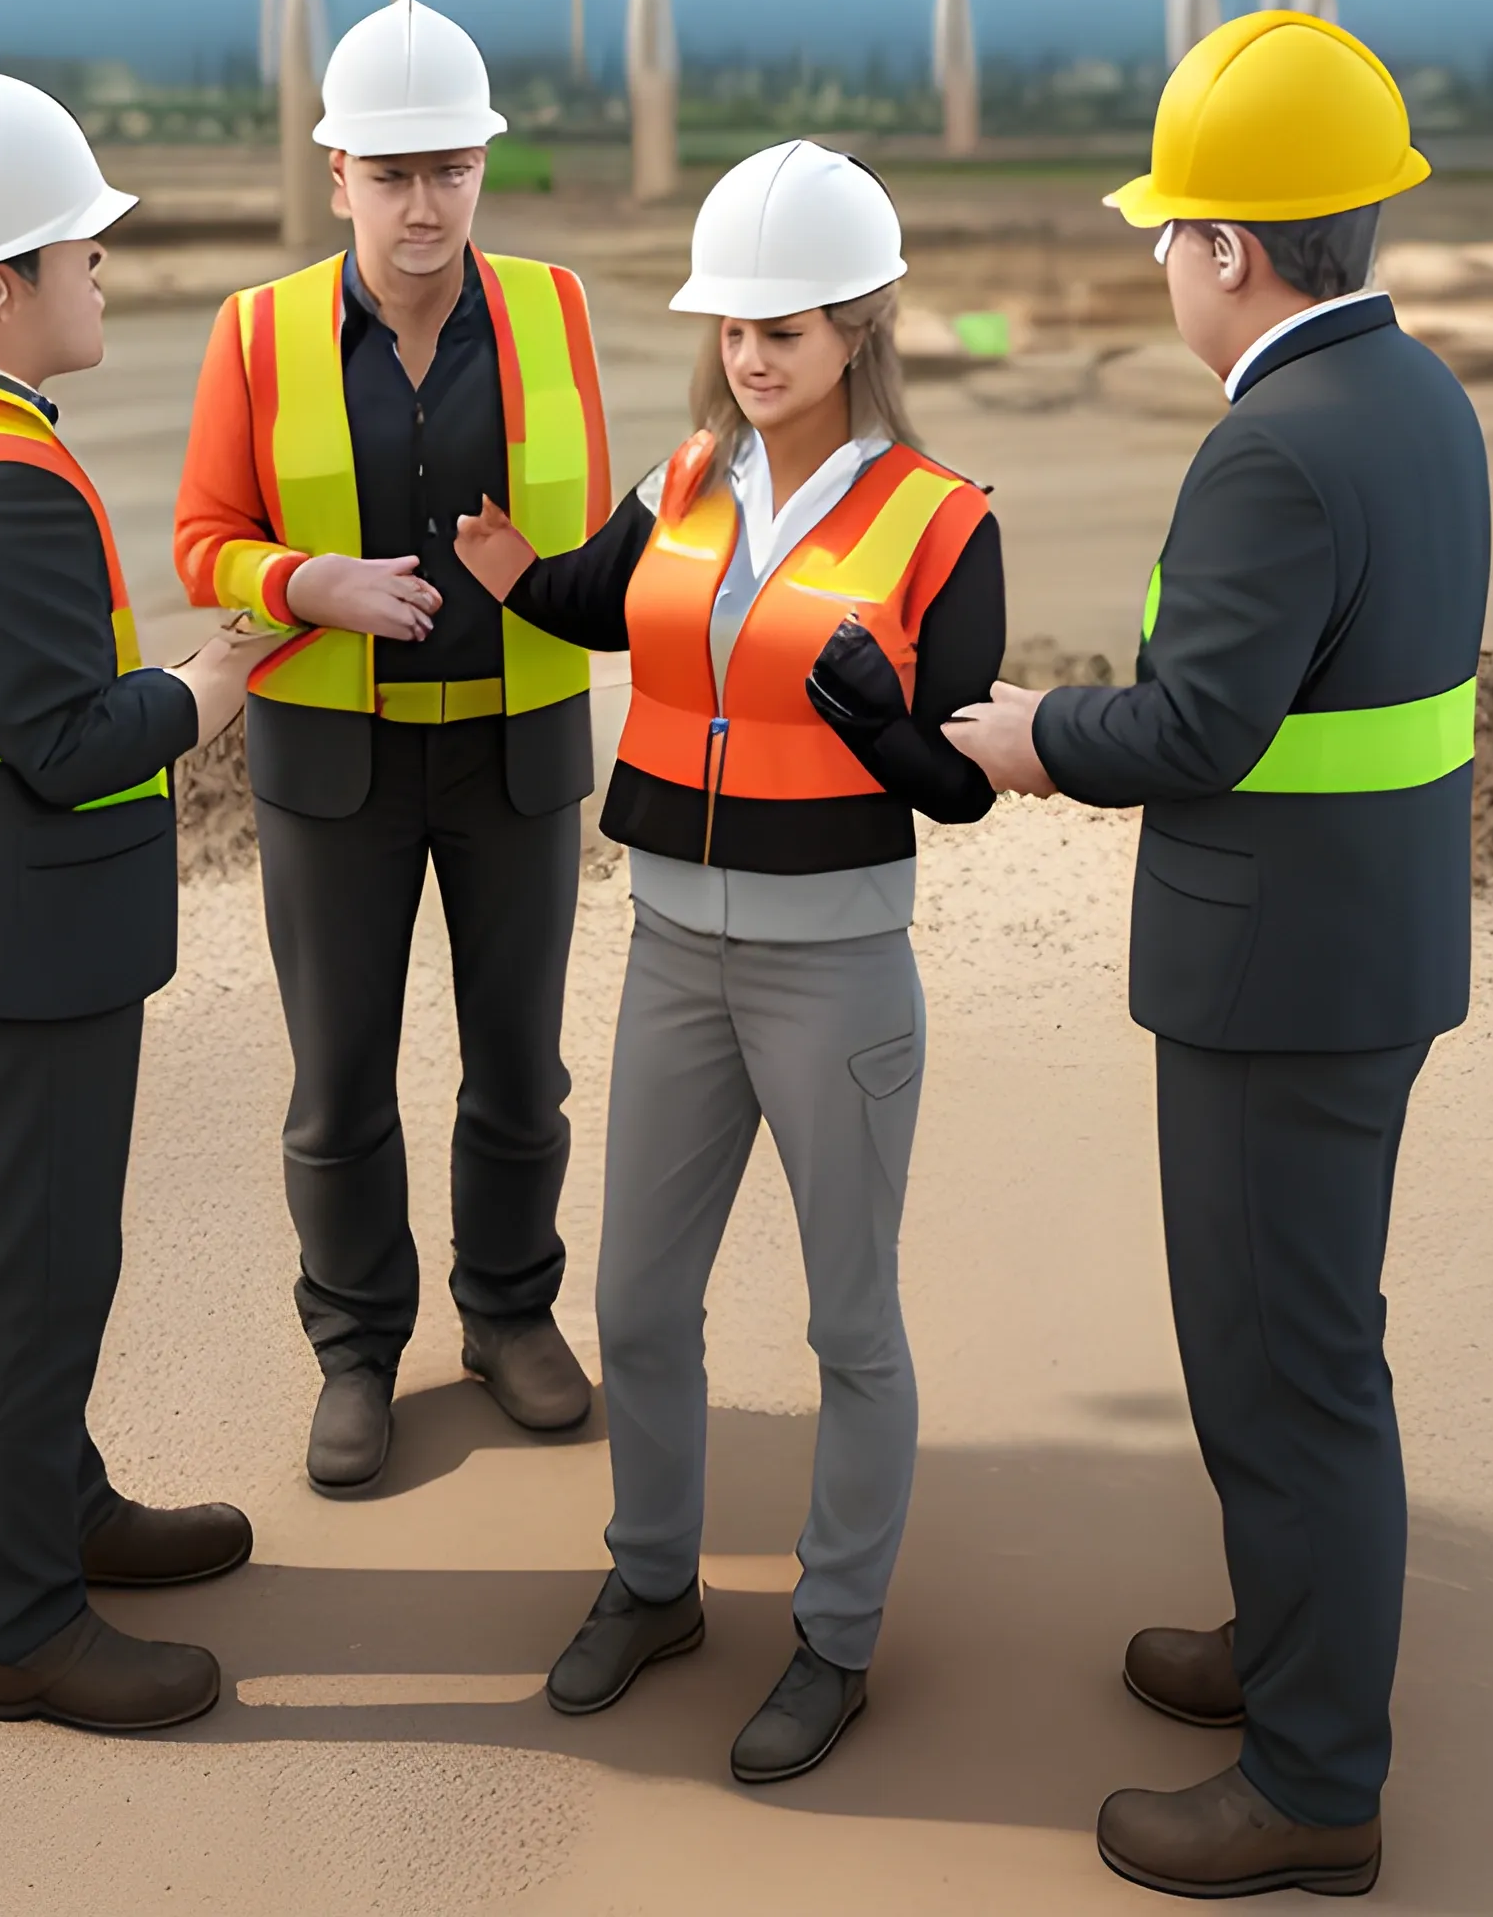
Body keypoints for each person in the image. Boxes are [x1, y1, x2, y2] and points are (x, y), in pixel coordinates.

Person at [948, 13, 1490, 1898]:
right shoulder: (1416, 398)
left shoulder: (1272, 449)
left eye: (1172, 231)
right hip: (1368, 949)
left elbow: (1195, 732)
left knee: (1286, 1369)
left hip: (1278, 985)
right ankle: (1284, 1645)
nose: (1163, 260)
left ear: (1234, 252)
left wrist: (1032, 741)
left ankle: (1314, 1779)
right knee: (1303, 1345)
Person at [454, 140, 1006, 1783]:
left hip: (835, 975)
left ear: (859, 327)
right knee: (637, 1299)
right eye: (733, 330)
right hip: (672, 947)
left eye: (783, 329)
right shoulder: (689, 479)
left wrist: (875, 722)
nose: (749, 357)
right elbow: (603, 607)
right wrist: (505, 574)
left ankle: (834, 1639)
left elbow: (964, 780)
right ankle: (653, 1581)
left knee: (851, 1328)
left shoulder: (940, 522)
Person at [0, 69, 274, 1732]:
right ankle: (18, 1623)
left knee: (46, 1260)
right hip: (26, 942)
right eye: (85, 253)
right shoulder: (2, 483)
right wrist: (203, 689)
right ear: (7, 282)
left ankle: (61, 1510)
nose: (107, 274)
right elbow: (61, 740)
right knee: (28, 1276)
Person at [172, 0, 612, 1493]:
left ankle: (511, 1316)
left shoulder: (556, 314)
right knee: (340, 1079)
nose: (426, 208)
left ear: (484, 166)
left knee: (520, 1074)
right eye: (395, 174)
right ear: (340, 170)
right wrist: (312, 586)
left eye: (453, 172)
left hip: (516, 760)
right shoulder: (259, 330)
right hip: (331, 773)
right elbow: (202, 544)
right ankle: (356, 1350)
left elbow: (599, 540)